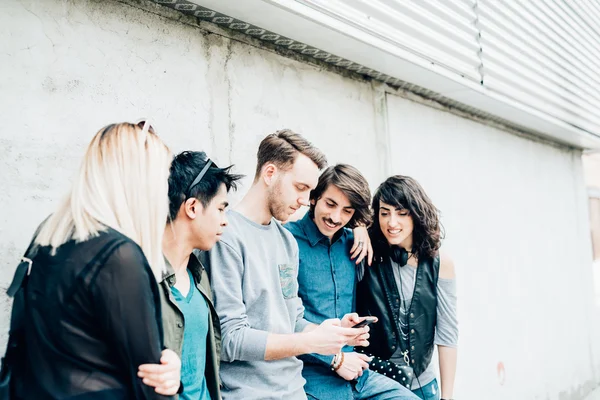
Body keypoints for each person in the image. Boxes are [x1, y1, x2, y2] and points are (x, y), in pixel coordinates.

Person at [9, 121, 178, 399]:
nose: (164, 193)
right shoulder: (118, 257)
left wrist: (165, 366)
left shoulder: (49, 239)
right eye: (162, 179)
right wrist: (169, 375)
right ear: (139, 183)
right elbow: (149, 381)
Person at [199, 130, 370, 400]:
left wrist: (333, 333)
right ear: (270, 174)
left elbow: (293, 321)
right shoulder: (226, 236)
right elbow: (228, 339)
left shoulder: (286, 241)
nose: (305, 200)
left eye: (310, 191)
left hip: (294, 390)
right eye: (300, 188)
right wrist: (309, 342)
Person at [285, 164, 420, 400]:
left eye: (347, 211)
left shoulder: (354, 243)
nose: (336, 218)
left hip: (359, 373)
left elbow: (395, 233)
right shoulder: (286, 241)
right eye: (330, 204)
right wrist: (335, 360)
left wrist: (360, 227)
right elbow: (283, 319)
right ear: (314, 197)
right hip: (309, 378)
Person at [138, 151, 243, 400]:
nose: (225, 221)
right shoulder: (139, 278)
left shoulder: (198, 276)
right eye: (220, 209)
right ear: (193, 207)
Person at [357, 176, 458, 400]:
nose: (392, 222)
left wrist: (447, 396)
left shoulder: (441, 264)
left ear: (417, 214)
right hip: (377, 384)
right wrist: (358, 227)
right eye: (384, 213)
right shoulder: (368, 254)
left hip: (424, 385)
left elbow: (447, 333)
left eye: (402, 213)